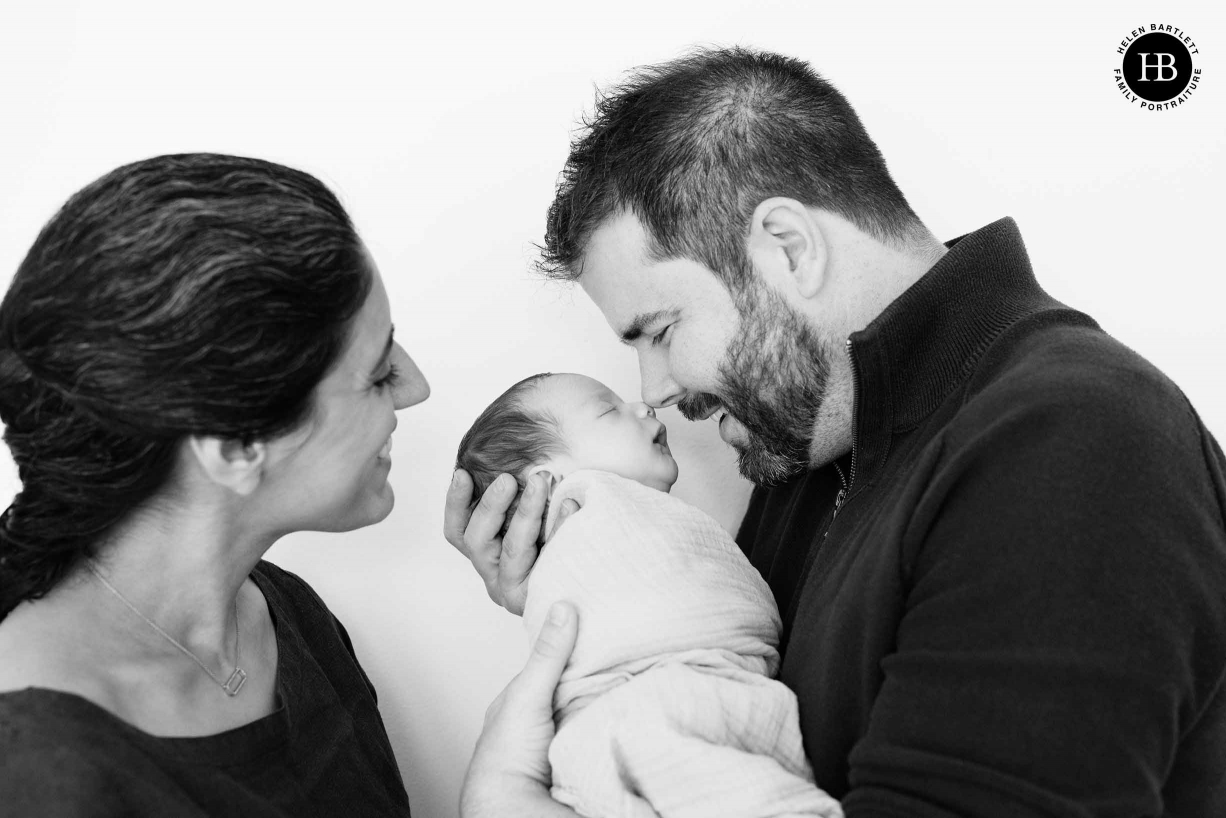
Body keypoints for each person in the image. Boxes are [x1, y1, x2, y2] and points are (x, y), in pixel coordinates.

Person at [446, 48, 1226, 816]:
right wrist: (591, 599)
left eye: (659, 329)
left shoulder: (1070, 440)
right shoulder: (813, 439)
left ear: (788, 247)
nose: (655, 390)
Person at [0, 154, 428, 816]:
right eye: (376, 374)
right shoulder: (37, 773)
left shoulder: (287, 615)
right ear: (237, 446)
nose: (418, 386)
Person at [456, 372, 842, 817]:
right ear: (548, 481)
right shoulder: (582, 507)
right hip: (639, 702)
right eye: (608, 410)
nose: (644, 406)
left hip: (716, 686)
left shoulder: (641, 523)